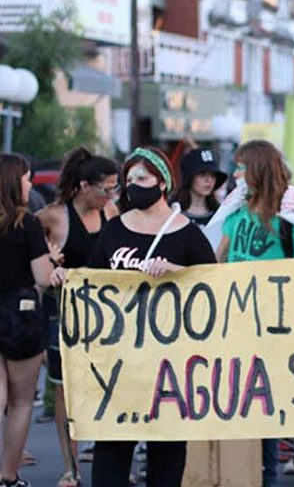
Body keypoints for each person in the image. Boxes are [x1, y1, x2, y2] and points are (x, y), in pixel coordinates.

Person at [50, 147, 216, 487]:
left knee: (166, 460)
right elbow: (94, 280)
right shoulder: (115, 229)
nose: (133, 185)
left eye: (142, 177)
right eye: (129, 179)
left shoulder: (188, 234)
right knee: (111, 458)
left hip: (169, 366)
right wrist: (67, 277)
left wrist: (178, 271)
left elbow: (214, 288)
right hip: (118, 364)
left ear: (162, 182)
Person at [216, 141, 294, 486]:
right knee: (243, 412)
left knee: (263, 413)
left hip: (275, 330)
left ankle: (267, 479)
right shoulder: (236, 211)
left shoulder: (291, 214)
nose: (236, 175)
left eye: (241, 168)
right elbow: (217, 261)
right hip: (235, 326)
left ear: (257, 169)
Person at [36, 147, 119, 487]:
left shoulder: (110, 212)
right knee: (66, 390)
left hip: (107, 315)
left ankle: (110, 463)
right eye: (106, 188)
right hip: (65, 314)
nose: (111, 195)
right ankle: (71, 468)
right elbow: (23, 238)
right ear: (85, 186)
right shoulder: (55, 216)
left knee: (109, 385)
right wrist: (46, 260)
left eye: (115, 188)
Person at [0, 154, 54, 487]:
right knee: (21, 403)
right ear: (12, 182)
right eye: (26, 178)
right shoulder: (28, 223)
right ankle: (8, 476)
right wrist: (52, 260)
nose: (31, 184)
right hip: (19, 317)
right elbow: (43, 277)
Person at [173, 147, 227, 226]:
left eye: (213, 175)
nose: (209, 180)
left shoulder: (221, 214)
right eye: (202, 174)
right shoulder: (172, 212)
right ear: (190, 178)